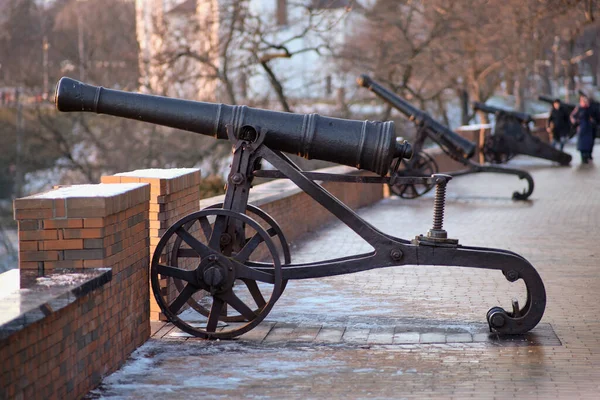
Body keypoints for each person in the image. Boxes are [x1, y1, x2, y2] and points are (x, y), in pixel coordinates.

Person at [570, 94, 596, 164]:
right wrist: (576, 122)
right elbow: (573, 116)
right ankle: (583, 157)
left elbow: (595, 116)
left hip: (589, 128)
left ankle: (588, 156)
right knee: (582, 144)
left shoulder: (590, 108)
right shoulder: (579, 108)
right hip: (582, 128)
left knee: (589, 143)